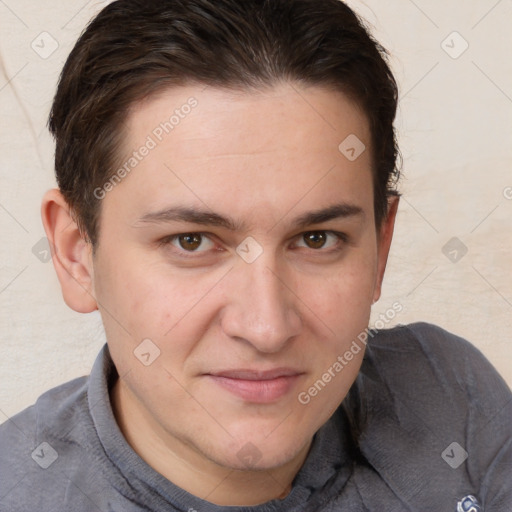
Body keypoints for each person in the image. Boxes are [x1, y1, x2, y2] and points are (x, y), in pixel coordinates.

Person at [1, 0, 510, 510]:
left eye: (317, 239)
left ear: (381, 248)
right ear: (76, 255)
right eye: (192, 241)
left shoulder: (448, 395)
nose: (266, 328)